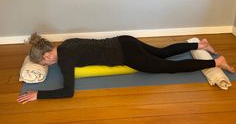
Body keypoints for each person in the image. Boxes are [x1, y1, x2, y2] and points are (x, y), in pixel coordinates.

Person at [17, 33, 235, 104]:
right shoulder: (66, 43)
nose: (46, 65)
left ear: (47, 55)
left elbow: (68, 92)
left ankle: (215, 62)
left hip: (127, 55)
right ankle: (200, 45)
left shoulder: (64, 58)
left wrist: (38, 95)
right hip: (124, 41)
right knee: (160, 52)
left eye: (43, 63)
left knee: (168, 67)